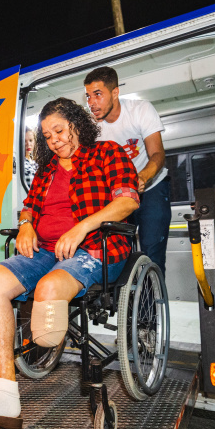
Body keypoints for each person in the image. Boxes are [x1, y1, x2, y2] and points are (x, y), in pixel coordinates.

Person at [0, 97, 139, 429]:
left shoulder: (108, 152)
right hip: (47, 250)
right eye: (48, 136)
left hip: (96, 246)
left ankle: (47, 330)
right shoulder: (47, 169)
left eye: (59, 130)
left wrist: (82, 227)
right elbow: (30, 206)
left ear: (77, 124)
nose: (54, 140)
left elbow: (126, 201)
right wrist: (26, 223)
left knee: (48, 287)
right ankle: (6, 394)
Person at [84, 66, 170, 275]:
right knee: (118, 254)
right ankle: (126, 304)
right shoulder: (90, 126)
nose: (91, 103)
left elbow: (157, 154)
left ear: (115, 93)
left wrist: (142, 177)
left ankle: (151, 306)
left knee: (152, 253)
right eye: (88, 96)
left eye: (97, 94)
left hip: (151, 188)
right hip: (116, 196)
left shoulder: (140, 110)